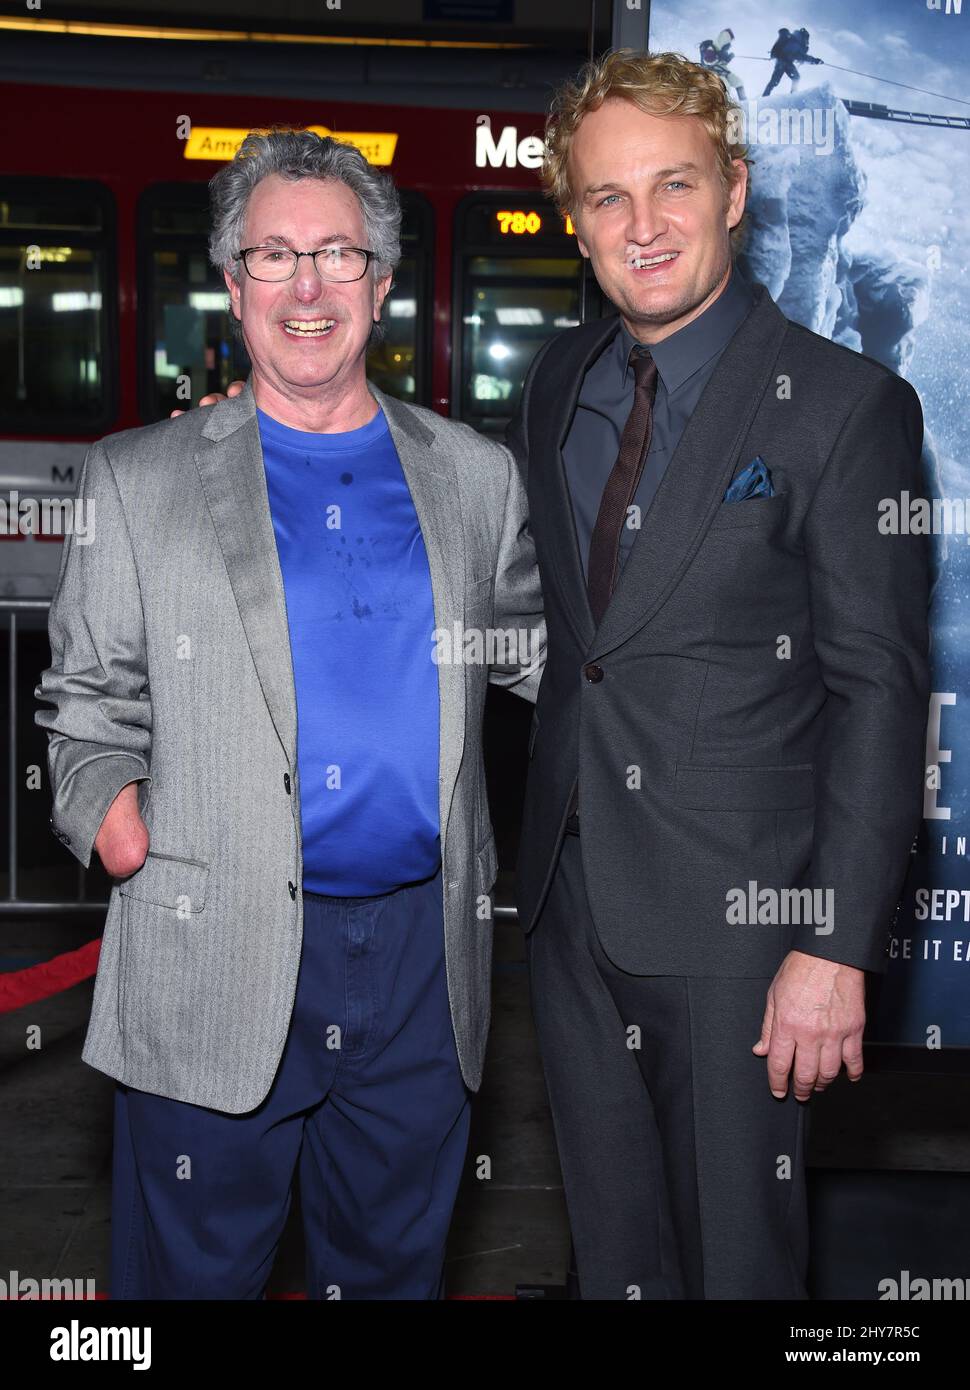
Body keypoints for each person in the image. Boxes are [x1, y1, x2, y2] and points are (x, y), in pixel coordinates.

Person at [35, 128, 544, 1300]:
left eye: (337, 256)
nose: (306, 288)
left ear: (382, 279)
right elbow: (83, 705)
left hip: (421, 962)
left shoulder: (475, 476)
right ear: (231, 281)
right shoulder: (136, 477)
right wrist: (113, 820)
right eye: (273, 256)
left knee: (388, 1278)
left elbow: (553, 666)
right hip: (212, 947)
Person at [507, 48, 929, 1299]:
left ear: (733, 190)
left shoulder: (846, 408)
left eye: (673, 185)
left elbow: (877, 692)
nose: (643, 227)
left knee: (739, 1268)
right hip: (570, 908)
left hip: (746, 936)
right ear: (573, 222)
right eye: (606, 198)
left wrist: (836, 947)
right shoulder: (554, 387)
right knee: (615, 1259)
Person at [763, 27, 823, 97]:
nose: (807, 41)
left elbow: (799, 56)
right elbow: (800, 56)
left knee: (776, 81)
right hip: (784, 61)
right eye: (807, 39)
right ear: (804, 37)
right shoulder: (796, 42)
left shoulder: (794, 41)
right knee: (791, 78)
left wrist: (813, 61)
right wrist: (815, 61)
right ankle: (792, 96)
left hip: (784, 62)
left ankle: (766, 96)